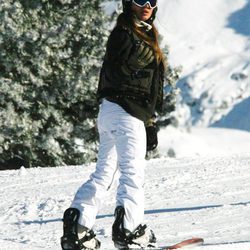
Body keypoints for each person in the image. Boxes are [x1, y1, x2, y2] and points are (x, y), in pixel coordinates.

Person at [61, 0, 166, 249]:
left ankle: (79, 228)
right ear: (129, 3)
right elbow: (116, 72)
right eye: (140, 0)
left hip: (113, 112)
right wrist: (137, 68)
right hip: (126, 113)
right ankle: (129, 229)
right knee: (132, 174)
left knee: (104, 174)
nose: (147, 5)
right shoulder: (124, 33)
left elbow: (142, 85)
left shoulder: (142, 34)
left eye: (152, 0)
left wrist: (149, 122)